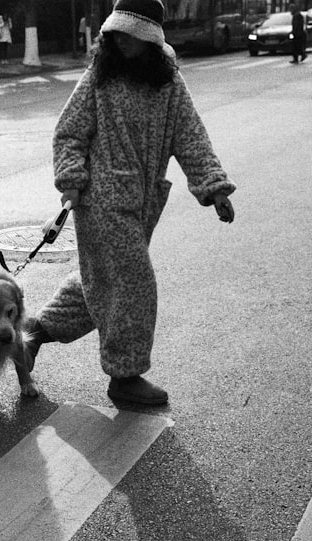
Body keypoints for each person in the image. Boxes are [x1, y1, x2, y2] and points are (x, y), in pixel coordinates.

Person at [23, 0, 236, 406]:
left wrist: (214, 188)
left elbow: (190, 137)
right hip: (101, 200)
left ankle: (34, 332)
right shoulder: (99, 77)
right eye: (116, 32)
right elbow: (69, 133)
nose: (121, 40)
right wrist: (71, 181)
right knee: (135, 285)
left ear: (150, 39)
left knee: (104, 283)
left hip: (142, 204)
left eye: (130, 34)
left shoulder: (169, 83)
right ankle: (125, 376)